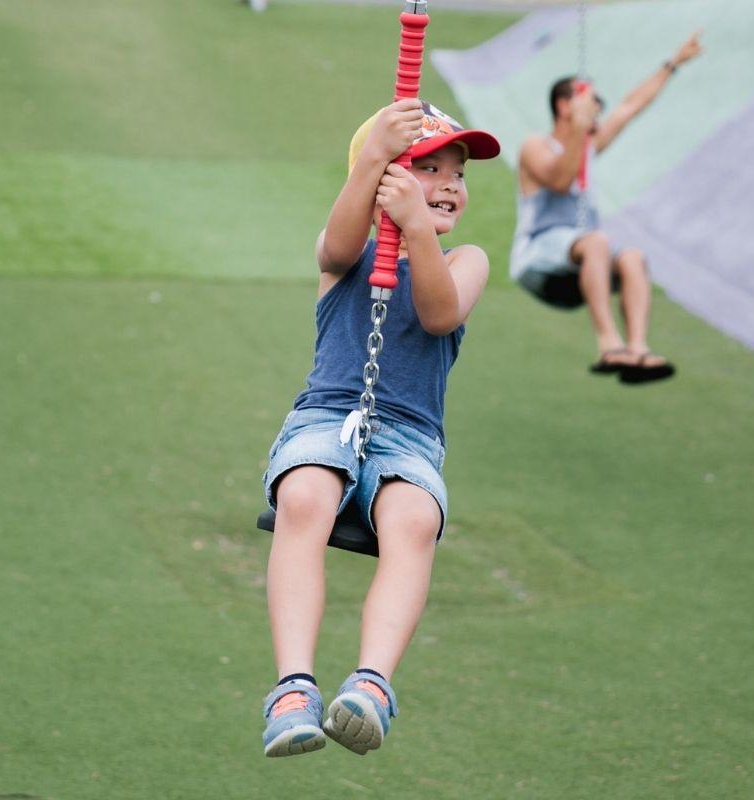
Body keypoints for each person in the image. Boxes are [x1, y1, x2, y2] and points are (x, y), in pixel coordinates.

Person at [258, 99, 500, 757]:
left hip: (409, 437)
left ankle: (372, 685)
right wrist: (370, 161)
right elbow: (336, 241)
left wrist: (417, 226)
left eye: (459, 172)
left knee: (414, 520)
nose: (452, 182)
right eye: (431, 167)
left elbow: (439, 313)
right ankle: (292, 688)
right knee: (303, 499)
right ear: (383, 177)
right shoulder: (344, 256)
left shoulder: (464, 260)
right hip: (327, 417)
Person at [510, 31, 704, 384]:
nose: (599, 105)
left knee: (631, 257)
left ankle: (637, 348)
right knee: (597, 241)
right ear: (564, 105)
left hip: (578, 266)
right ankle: (607, 341)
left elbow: (630, 106)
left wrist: (673, 63)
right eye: (590, 99)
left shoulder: (588, 145)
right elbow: (558, 180)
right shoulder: (535, 146)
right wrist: (579, 131)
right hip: (538, 258)